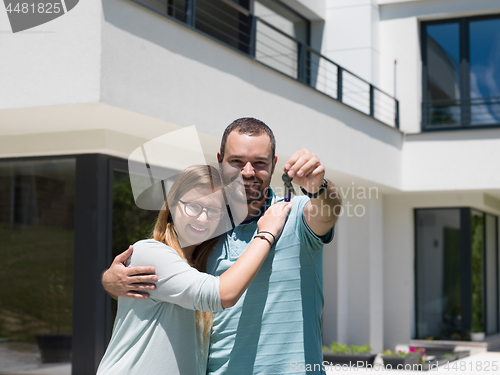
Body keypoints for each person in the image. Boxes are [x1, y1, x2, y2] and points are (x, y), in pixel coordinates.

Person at [102, 118, 342, 374]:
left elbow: (329, 211)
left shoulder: (292, 213)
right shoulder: (204, 228)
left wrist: (320, 187)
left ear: (273, 164)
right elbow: (172, 279)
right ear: (220, 160)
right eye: (236, 162)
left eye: (259, 163)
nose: (247, 172)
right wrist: (110, 281)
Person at [97, 164, 293, 375]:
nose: (202, 218)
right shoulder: (150, 252)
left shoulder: (201, 267)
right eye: (193, 206)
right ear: (172, 205)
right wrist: (266, 234)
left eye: (213, 211)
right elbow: (221, 294)